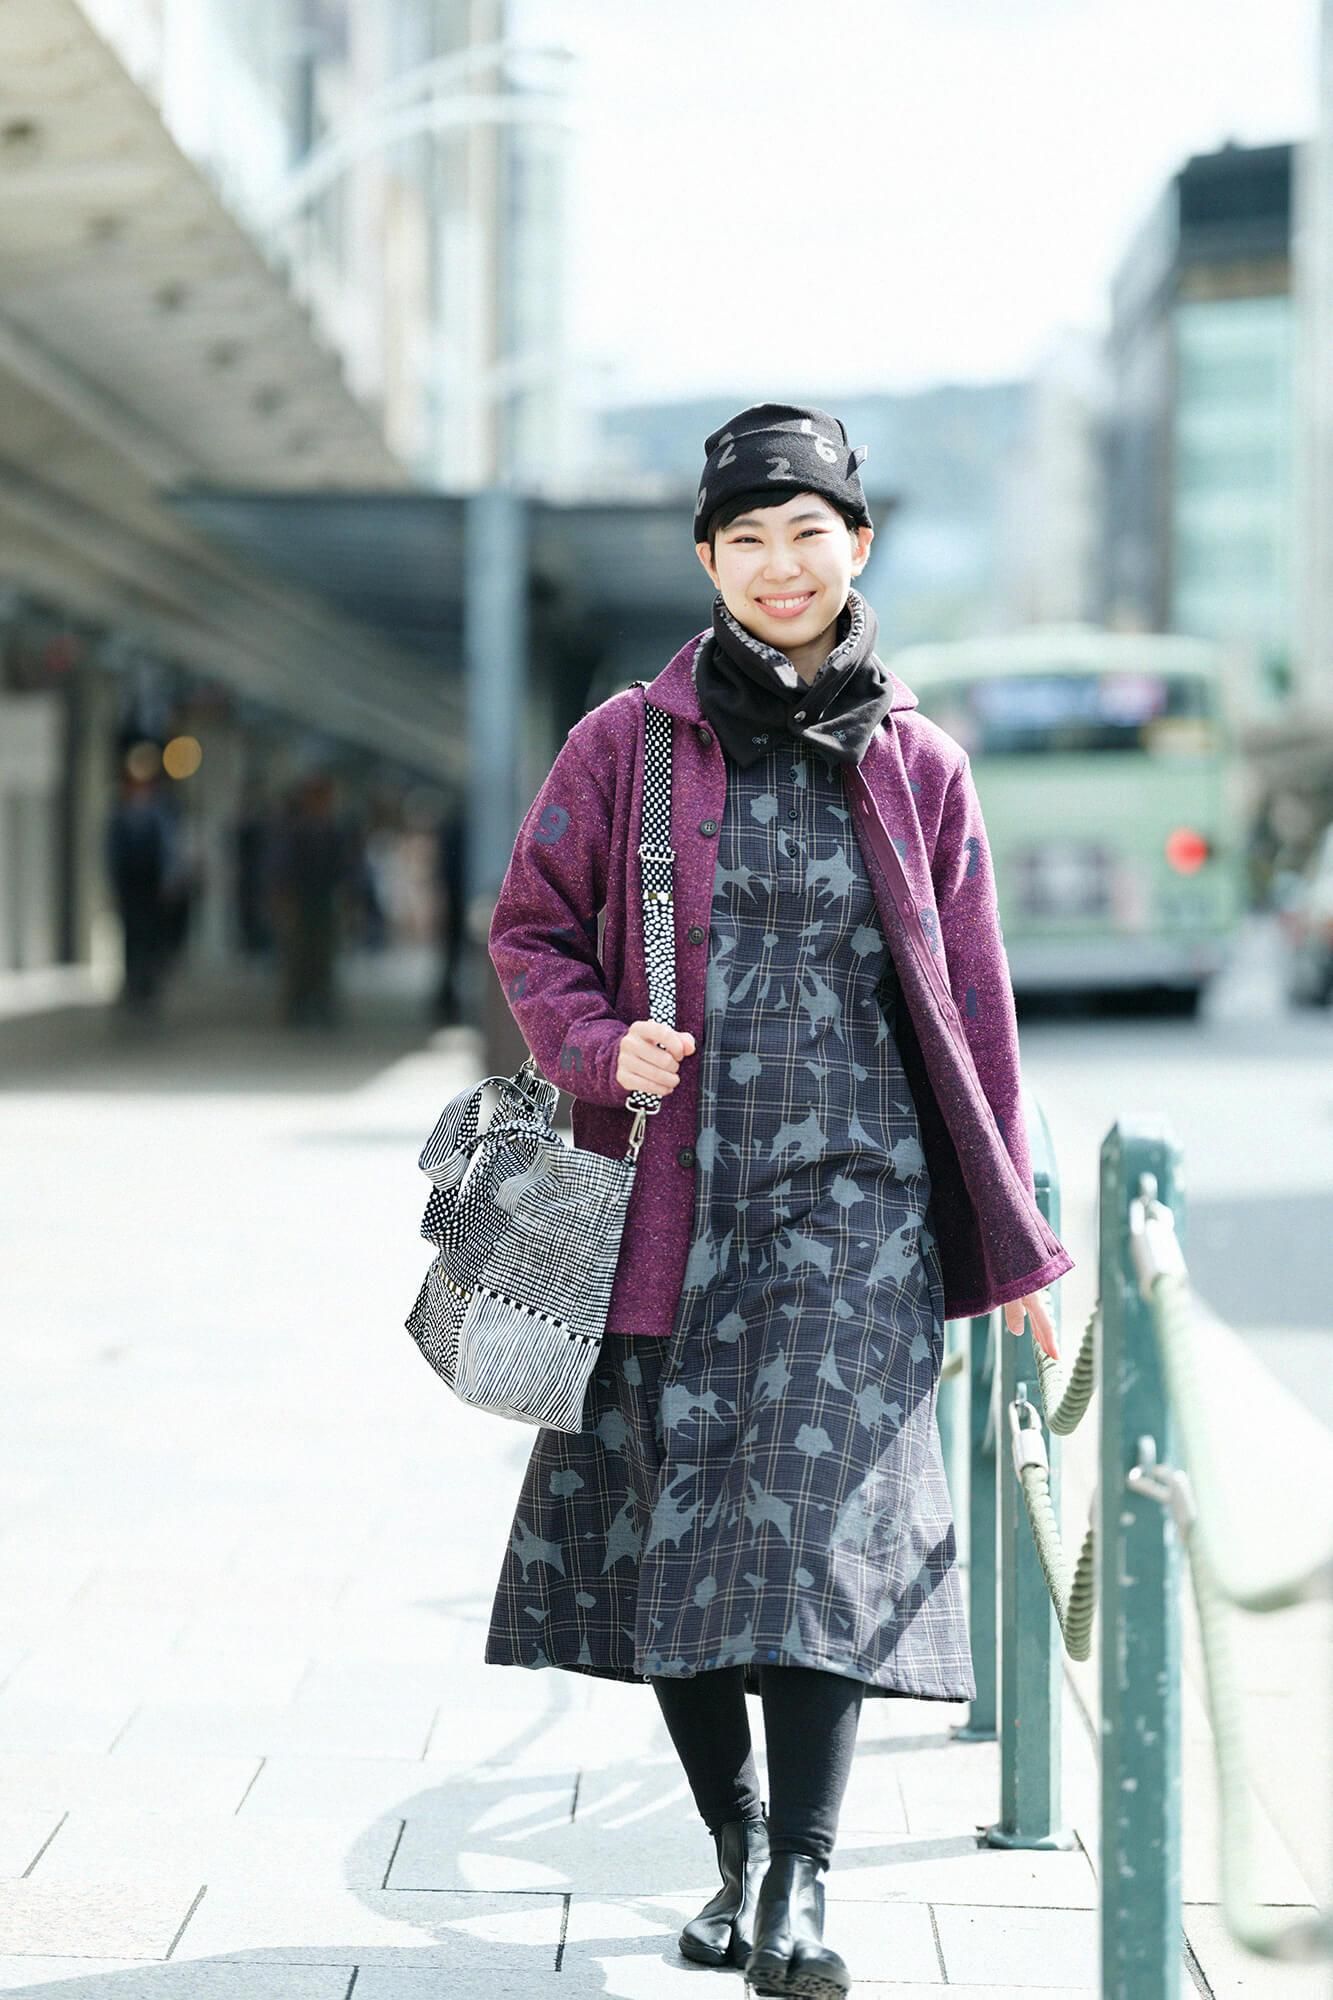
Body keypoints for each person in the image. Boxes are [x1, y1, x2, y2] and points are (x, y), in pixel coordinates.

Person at [484, 403, 1073, 1999]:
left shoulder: (919, 764)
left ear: (855, 546)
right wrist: (605, 1045)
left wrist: (1012, 1234)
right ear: (706, 563)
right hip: (667, 1201)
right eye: (744, 539)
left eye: (806, 532)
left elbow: (975, 1010)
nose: (778, 564)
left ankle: (804, 1892)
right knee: (678, 1550)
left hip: (856, 1208)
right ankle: (737, 1857)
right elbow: (528, 929)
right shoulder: (625, 743)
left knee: (815, 1541)